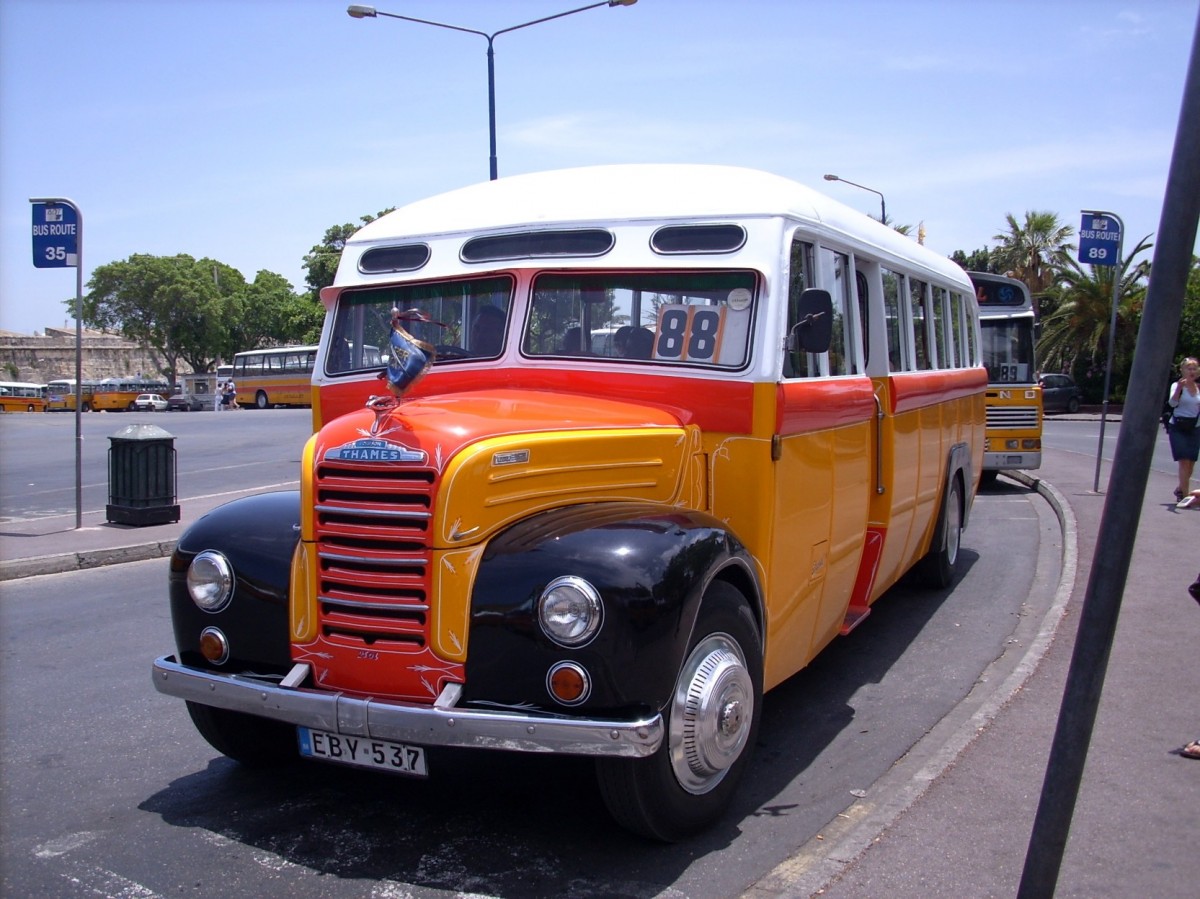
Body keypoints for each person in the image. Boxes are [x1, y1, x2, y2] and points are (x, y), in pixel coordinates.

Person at [1166, 356, 1200, 501]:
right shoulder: (1176, 385)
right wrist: (1179, 389)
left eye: (1194, 368)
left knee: (1191, 463)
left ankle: (1180, 489)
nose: (1191, 371)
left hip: (1194, 427)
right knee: (1184, 461)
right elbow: (1172, 404)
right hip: (1178, 426)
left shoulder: (1199, 388)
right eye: (1188, 368)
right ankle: (1185, 496)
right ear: (1182, 370)